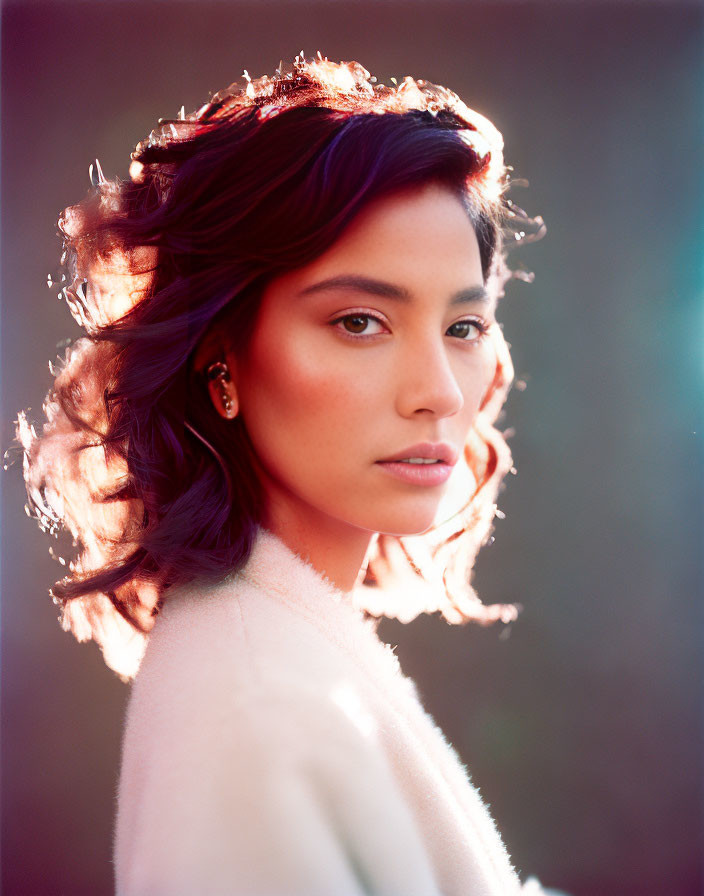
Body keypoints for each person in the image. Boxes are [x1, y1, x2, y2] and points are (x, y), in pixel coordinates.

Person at [16, 54, 559, 895]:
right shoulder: (255, 716)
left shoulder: (282, 656)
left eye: (463, 325)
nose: (439, 393)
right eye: (359, 320)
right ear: (222, 356)